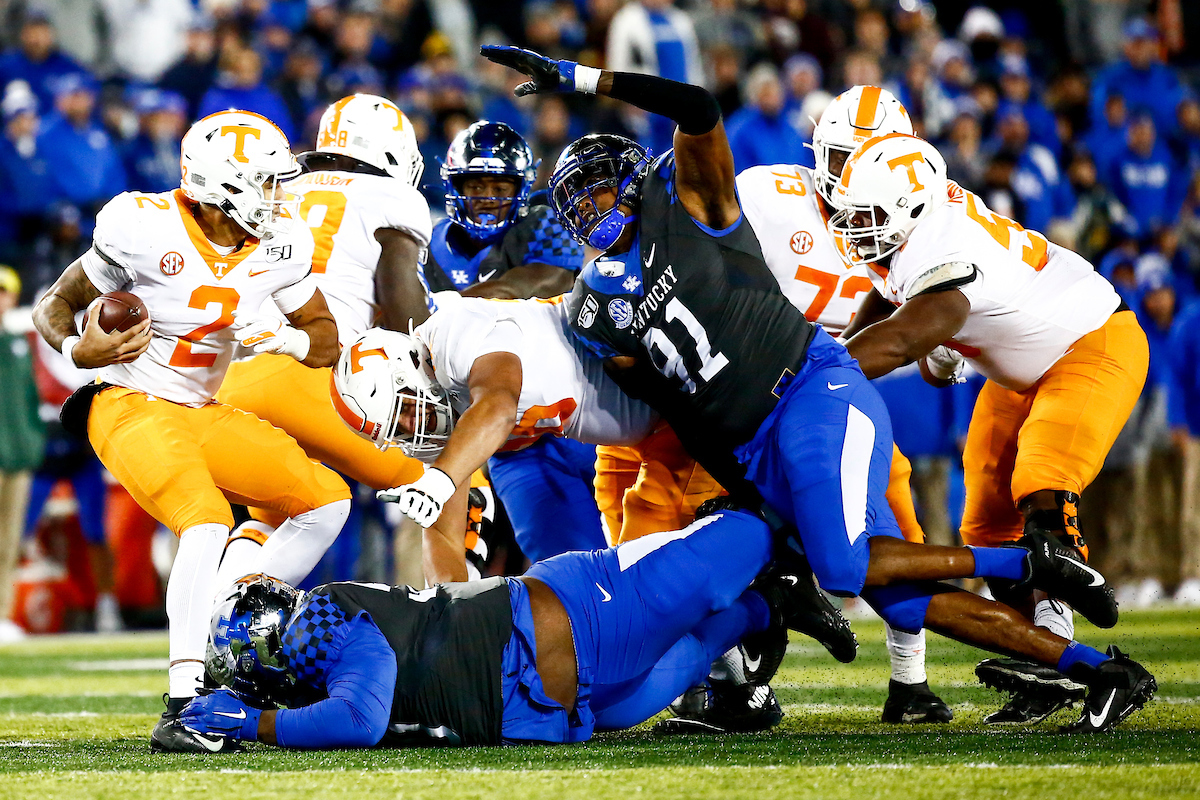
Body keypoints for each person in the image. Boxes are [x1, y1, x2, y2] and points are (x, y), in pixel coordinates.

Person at [478, 45, 1156, 733]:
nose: (594, 210)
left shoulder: (698, 204)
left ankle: (1022, 561)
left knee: (845, 562)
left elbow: (699, 107)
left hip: (806, 392)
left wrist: (584, 78)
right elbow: (676, 406)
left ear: (639, 178)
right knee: (901, 596)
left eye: (601, 189)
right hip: (752, 444)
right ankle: (1096, 669)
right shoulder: (593, 311)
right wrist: (733, 483)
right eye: (578, 202)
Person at [31, 109, 352, 753]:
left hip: (200, 412)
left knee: (327, 500)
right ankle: (184, 706)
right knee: (205, 519)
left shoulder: (279, 241)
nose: (279, 195)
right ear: (219, 183)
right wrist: (78, 348)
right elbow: (54, 304)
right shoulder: (141, 227)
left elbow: (325, 343)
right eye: (264, 182)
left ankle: (224, 635)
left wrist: (285, 337)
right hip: (128, 401)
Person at [829, 133, 1148, 724]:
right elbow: (917, 355)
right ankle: (1052, 658)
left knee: (1042, 478)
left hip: (1090, 342)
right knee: (987, 523)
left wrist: (807, 375)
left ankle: (1066, 592)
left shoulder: (942, 244)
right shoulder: (911, 238)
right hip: (1021, 367)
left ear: (908, 207)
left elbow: (901, 340)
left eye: (867, 214)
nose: (853, 225)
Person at [213, 94, 433, 583]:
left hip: (233, 378)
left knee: (281, 510)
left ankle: (225, 630)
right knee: (452, 479)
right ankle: (442, 639)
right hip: (316, 379)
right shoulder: (393, 198)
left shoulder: (279, 187)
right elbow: (403, 311)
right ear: (394, 154)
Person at [0, 265, 45, 643]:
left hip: (16, 456)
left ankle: (2, 615)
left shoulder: (17, 345)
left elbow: (30, 400)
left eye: (3, 292)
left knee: (10, 542)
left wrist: (31, 444)